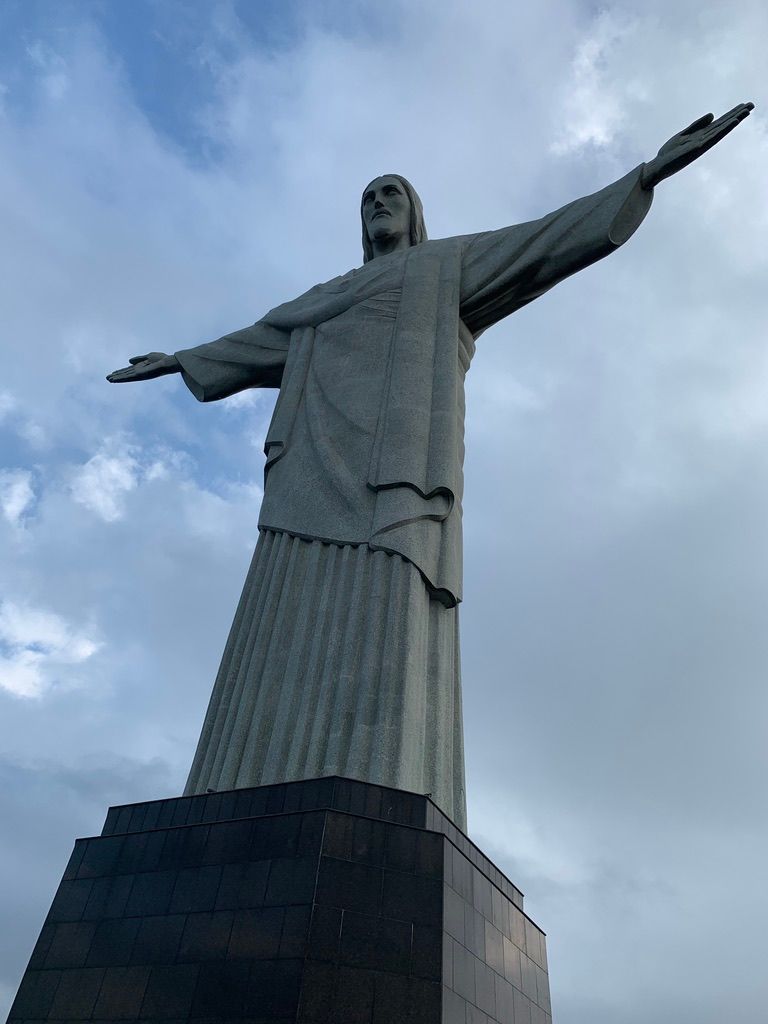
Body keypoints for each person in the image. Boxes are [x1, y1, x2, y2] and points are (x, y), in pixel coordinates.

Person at [108, 104, 753, 830]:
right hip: (307, 479)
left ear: (415, 214)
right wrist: (180, 360)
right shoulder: (320, 302)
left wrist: (642, 177)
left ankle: (378, 782)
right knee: (280, 613)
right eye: (369, 197)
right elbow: (258, 340)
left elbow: (542, 243)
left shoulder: (446, 267)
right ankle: (236, 786)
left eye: (393, 194)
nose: (380, 203)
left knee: (386, 614)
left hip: (397, 480)